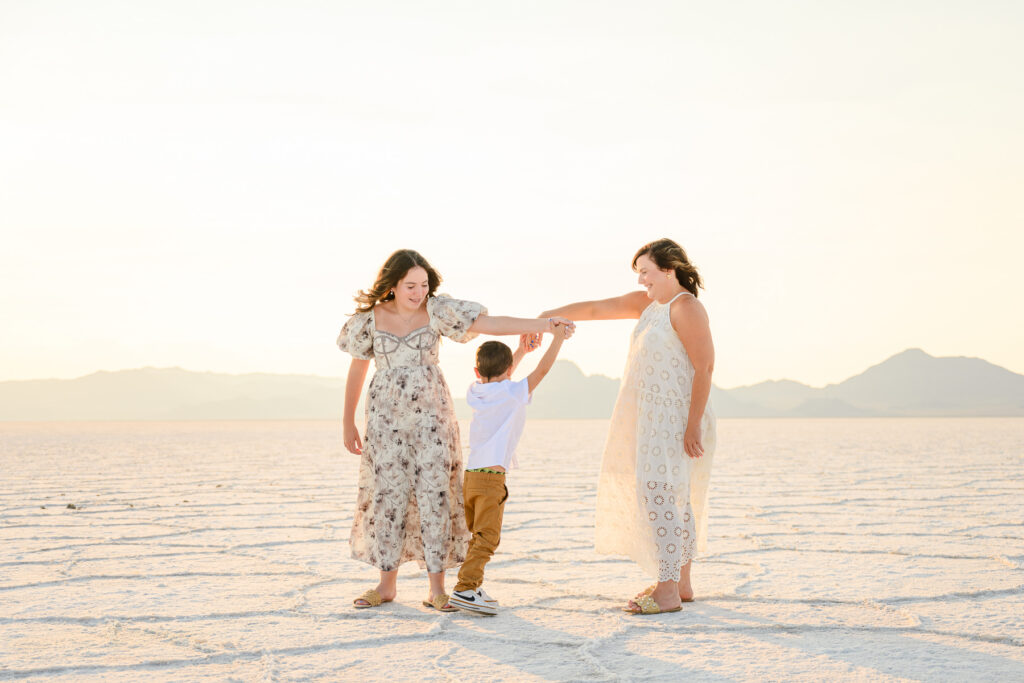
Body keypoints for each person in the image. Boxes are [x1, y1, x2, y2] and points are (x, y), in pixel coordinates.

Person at [337, 248, 574, 612]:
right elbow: (357, 369)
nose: (418, 292)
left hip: (431, 416)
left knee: (435, 494)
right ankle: (386, 586)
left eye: (424, 284)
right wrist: (348, 420)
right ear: (392, 285)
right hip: (385, 418)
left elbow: (489, 324)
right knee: (389, 496)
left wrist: (543, 325)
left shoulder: (436, 311)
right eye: (410, 285)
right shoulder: (370, 319)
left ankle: (437, 589)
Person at [540, 238, 716, 615]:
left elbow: (705, 367)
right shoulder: (649, 304)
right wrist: (546, 317)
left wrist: (693, 425)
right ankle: (681, 582)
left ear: (668, 269)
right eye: (639, 274)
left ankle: (667, 588)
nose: (641, 282)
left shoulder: (686, 307)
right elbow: (595, 308)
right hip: (650, 416)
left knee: (658, 493)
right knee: (673, 496)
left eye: (646, 272)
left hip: (678, 415)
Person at [449, 325, 571, 615]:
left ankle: (473, 585)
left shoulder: (475, 390)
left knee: (477, 534)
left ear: (476, 372)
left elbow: (500, 376)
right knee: (488, 537)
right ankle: (464, 589)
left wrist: (521, 351)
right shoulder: (513, 393)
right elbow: (541, 371)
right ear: (508, 371)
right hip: (491, 480)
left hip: (470, 477)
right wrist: (558, 339)